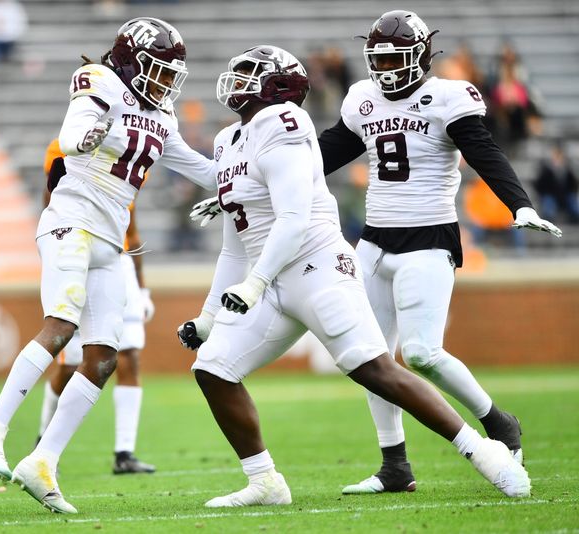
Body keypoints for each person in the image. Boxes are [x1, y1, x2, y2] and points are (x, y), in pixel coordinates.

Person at [178, 44, 531, 508]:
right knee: (213, 369)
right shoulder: (227, 141)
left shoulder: (284, 122)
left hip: (315, 265)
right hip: (269, 277)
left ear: (279, 86)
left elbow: (294, 219)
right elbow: (232, 245)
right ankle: (265, 481)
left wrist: (255, 283)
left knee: (375, 368)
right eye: (237, 70)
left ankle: (483, 450)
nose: (237, 79)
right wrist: (208, 316)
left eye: (249, 72)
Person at [0, 17, 216, 514]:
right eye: (158, 70)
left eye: (171, 73)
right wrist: (95, 131)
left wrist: (242, 177)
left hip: (109, 240)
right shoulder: (101, 82)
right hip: (70, 223)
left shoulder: (162, 117)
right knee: (60, 326)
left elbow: (201, 168)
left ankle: (42, 462)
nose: (165, 82)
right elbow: (74, 133)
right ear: (130, 60)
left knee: (102, 358)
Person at [313, 11, 560, 494]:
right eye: (377, 58)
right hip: (374, 242)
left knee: (423, 353)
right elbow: (325, 153)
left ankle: (498, 422)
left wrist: (520, 205)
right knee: (371, 359)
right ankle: (395, 467)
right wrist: (250, 187)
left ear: (422, 56)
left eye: (393, 57)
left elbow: (485, 151)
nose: (383, 68)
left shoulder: (447, 97)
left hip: (427, 240)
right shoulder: (362, 98)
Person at [36, 139, 156, 475]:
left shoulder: (126, 145)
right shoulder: (65, 146)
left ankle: (124, 452)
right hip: (80, 256)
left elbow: (131, 227)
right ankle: (42, 439)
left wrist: (142, 287)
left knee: (129, 353)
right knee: (71, 359)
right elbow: (51, 206)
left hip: (119, 263)